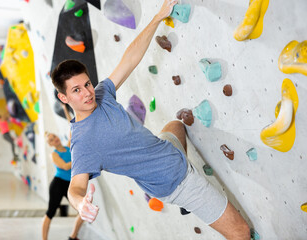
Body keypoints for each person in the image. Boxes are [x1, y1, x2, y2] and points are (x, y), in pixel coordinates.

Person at [51, 0, 250, 239]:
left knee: (176, 126)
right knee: (241, 232)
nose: (87, 93)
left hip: (168, 151)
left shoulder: (102, 94)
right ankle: (190, 201)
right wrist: (80, 203)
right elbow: (76, 186)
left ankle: (179, 180)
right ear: (64, 97)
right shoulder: (83, 142)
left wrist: (157, 17)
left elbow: (130, 58)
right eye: (76, 91)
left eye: (86, 84)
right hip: (177, 182)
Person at [42, 132, 83, 240]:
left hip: (70, 184)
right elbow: (65, 166)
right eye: (51, 140)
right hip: (58, 184)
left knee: (82, 210)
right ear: (50, 145)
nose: (54, 139)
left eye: (54, 136)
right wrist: (78, 158)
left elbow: (72, 130)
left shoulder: (68, 146)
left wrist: (67, 114)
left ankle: (73, 236)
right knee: (51, 212)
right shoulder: (54, 154)